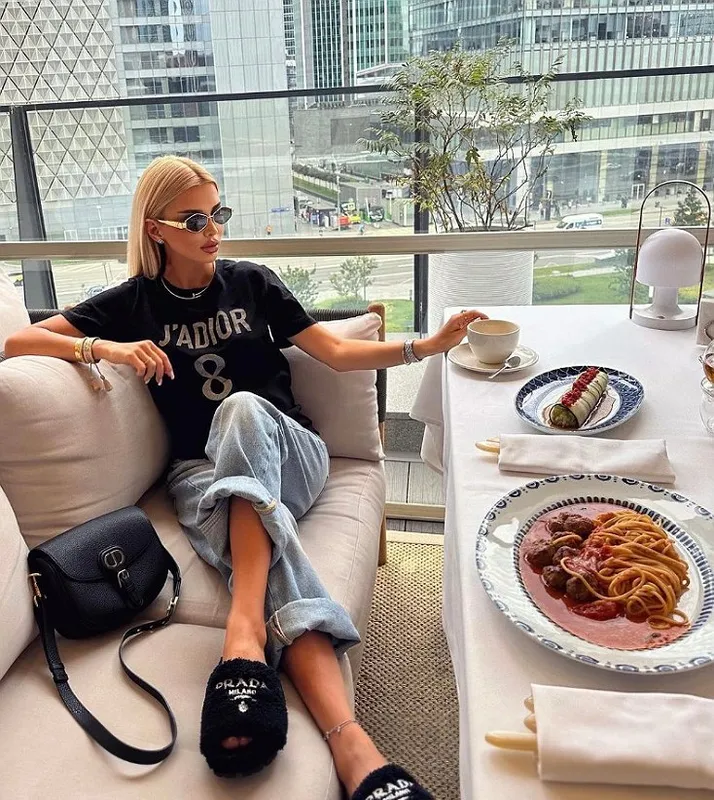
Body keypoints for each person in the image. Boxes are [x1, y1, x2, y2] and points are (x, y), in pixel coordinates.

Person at [4, 156, 486, 799]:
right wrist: (107, 347)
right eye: (194, 219)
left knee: (242, 409)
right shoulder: (132, 304)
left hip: (291, 454)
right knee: (260, 527)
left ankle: (241, 631)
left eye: (217, 213)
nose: (213, 230)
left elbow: (335, 352)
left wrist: (424, 347)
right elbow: (20, 343)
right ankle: (356, 750)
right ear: (155, 229)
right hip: (200, 478)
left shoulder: (252, 282)